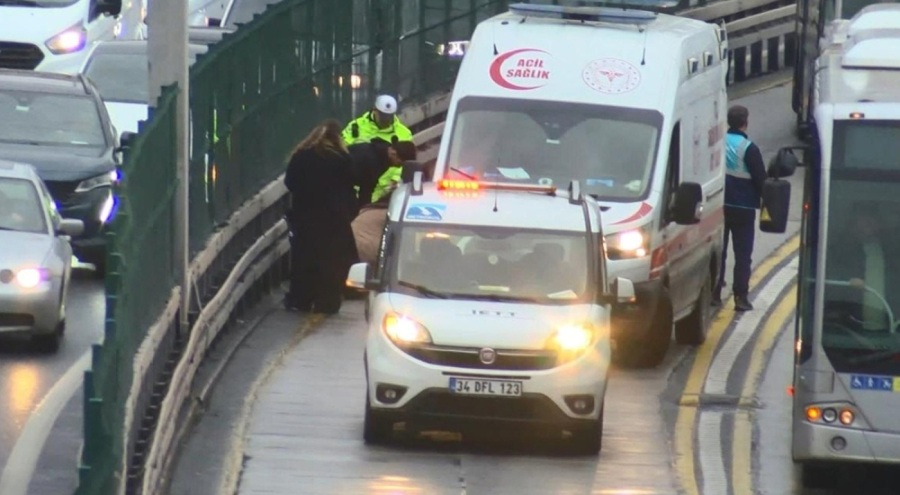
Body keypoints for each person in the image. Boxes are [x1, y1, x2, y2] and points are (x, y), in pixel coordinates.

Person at [283, 119, 359, 314]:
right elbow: (351, 183)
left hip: (305, 217)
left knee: (304, 258)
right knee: (332, 261)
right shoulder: (342, 158)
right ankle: (328, 302)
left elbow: (290, 182)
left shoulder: (300, 156)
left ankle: (301, 299)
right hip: (334, 218)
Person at [713, 105, 767, 311]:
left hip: (719, 206)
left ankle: (715, 293)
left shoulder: (718, 143)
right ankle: (740, 297)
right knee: (743, 255)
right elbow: (761, 179)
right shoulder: (749, 148)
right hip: (743, 208)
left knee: (720, 251)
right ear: (746, 122)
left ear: (728, 121)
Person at [825, 202, 898, 331]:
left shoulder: (891, 250)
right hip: (851, 327)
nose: (867, 225)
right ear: (852, 224)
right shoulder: (838, 250)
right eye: (862, 220)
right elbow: (826, 285)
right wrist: (849, 285)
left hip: (892, 324)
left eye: (871, 220)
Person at [342, 94, 413, 146]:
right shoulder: (355, 127)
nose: (386, 119)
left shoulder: (405, 134)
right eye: (383, 115)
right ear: (375, 110)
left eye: (389, 116)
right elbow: (343, 150)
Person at [347, 138, 393, 211]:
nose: (399, 165)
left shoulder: (380, 154)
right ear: (394, 153)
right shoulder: (375, 161)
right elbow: (366, 188)